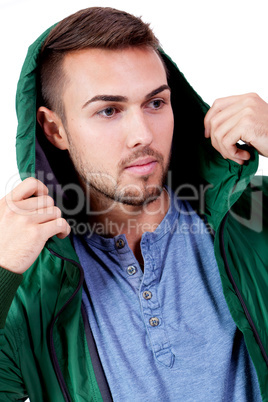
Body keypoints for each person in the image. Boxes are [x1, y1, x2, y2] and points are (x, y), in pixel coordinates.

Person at [0, 6, 268, 401]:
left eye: (156, 103)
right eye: (109, 110)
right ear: (55, 129)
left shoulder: (254, 216)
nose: (142, 134)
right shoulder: (30, 284)